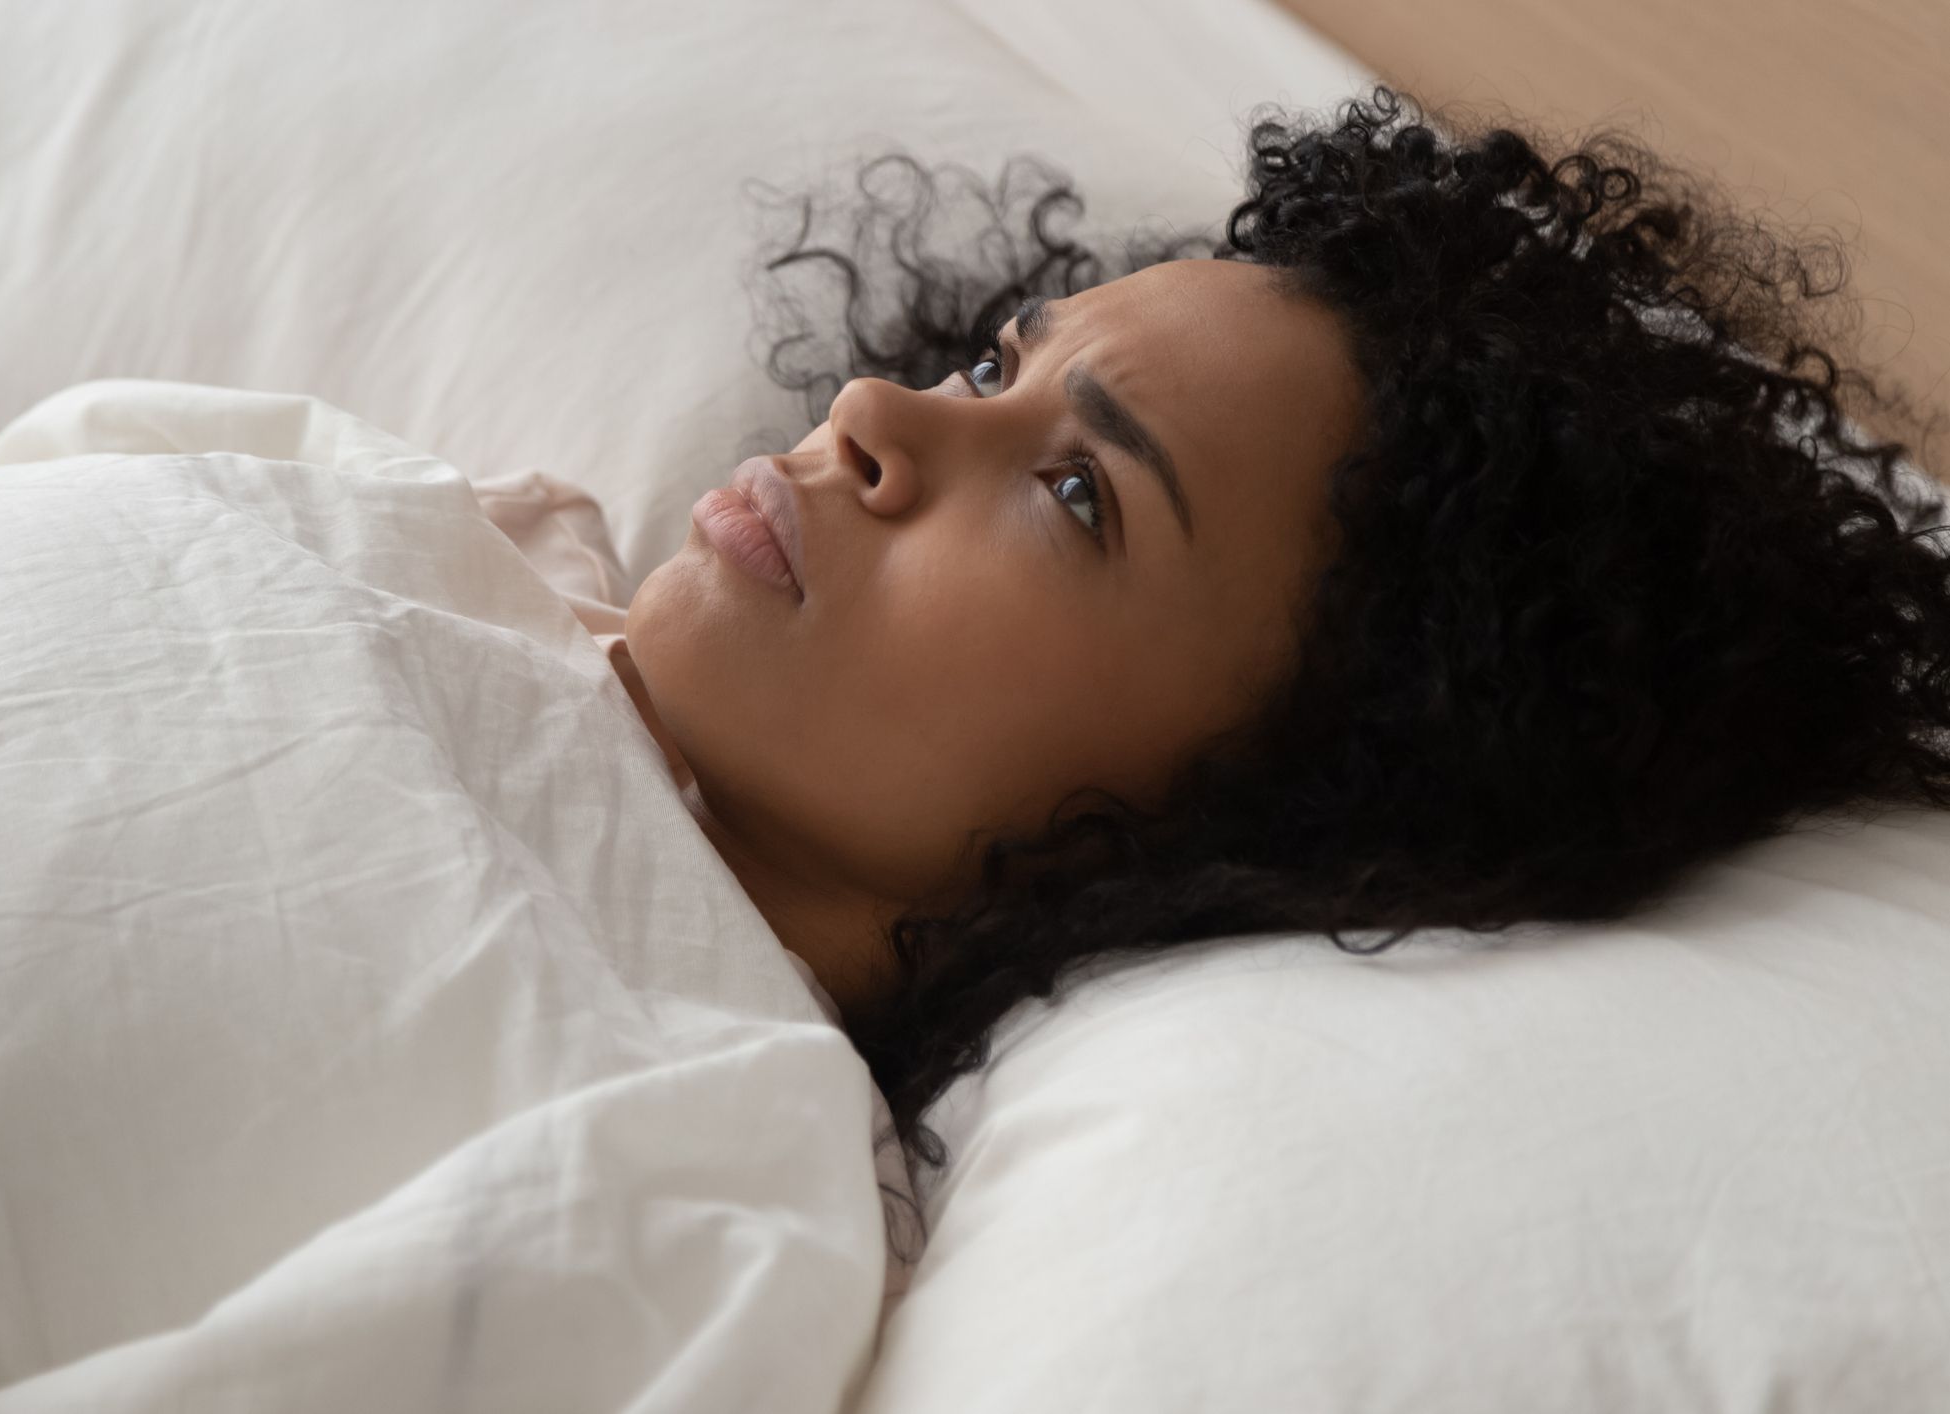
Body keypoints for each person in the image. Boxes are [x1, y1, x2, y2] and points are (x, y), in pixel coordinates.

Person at [593, 84, 1950, 1192]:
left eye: (1079, 494)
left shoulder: (687, 1178)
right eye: (1000, 366)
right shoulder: (474, 554)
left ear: (1240, 828)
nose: (878, 410)